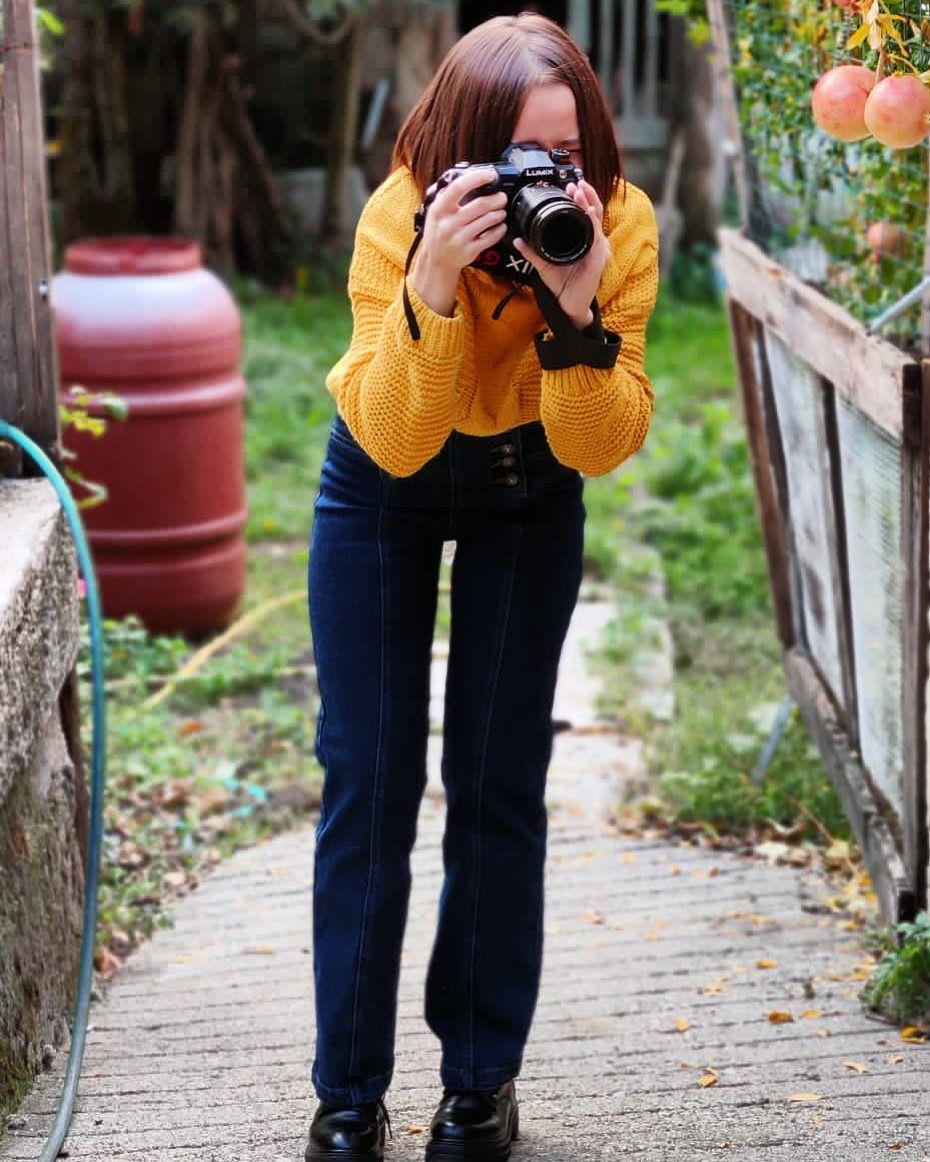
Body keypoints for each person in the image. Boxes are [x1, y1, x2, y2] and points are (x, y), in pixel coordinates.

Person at [304, 11, 659, 1161]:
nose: (545, 181)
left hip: (529, 486)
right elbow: (400, 439)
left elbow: (600, 444)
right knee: (369, 780)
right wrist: (436, 280)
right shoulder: (400, 213)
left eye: (565, 152)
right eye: (518, 159)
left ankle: (477, 1090)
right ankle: (347, 1100)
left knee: (500, 785)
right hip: (382, 480)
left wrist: (574, 306)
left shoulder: (615, 223)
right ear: (461, 152)